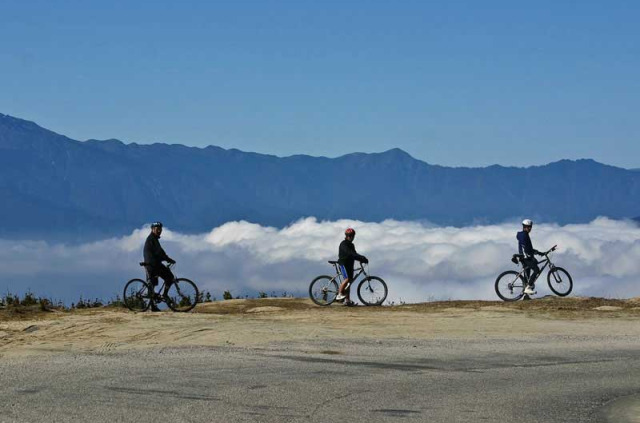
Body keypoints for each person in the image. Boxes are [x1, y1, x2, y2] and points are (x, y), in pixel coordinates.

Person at [143, 222, 176, 311]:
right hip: (152, 265)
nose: (159, 231)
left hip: (154, 264)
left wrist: (166, 258)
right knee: (168, 277)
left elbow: (159, 252)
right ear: (152, 229)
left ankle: (153, 305)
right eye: (157, 229)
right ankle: (162, 297)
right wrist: (168, 259)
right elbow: (159, 252)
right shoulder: (152, 239)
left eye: (160, 229)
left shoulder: (153, 239)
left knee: (154, 284)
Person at [336, 228, 368, 306]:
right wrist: (361, 257)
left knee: (349, 283)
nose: (350, 237)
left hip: (349, 265)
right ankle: (339, 294)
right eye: (348, 235)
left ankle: (347, 300)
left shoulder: (351, 245)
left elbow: (354, 254)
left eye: (351, 235)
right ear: (346, 236)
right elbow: (350, 253)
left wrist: (361, 259)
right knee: (347, 279)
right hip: (343, 264)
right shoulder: (344, 244)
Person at [517, 219, 543, 296]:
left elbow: (529, 248)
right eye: (528, 227)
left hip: (526, 257)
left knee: (527, 276)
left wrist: (538, 252)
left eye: (530, 227)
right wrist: (528, 254)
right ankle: (528, 288)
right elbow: (525, 246)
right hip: (525, 258)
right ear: (524, 227)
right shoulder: (523, 235)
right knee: (536, 270)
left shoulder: (525, 234)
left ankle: (526, 295)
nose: (530, 228)